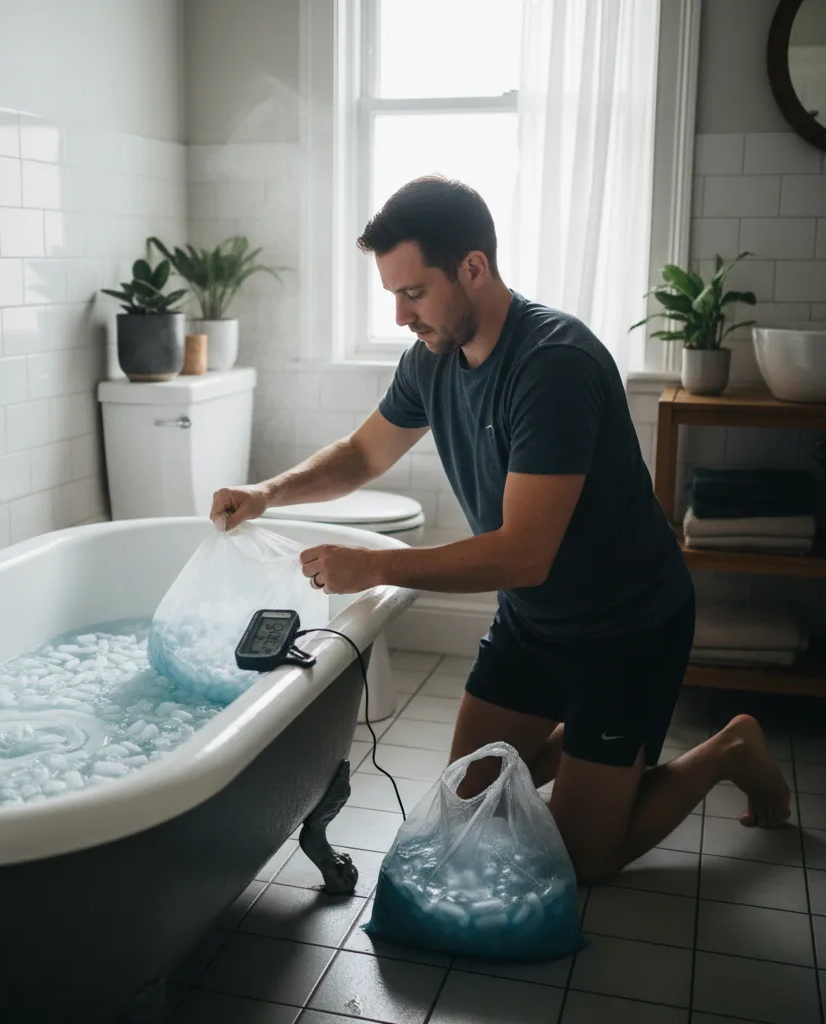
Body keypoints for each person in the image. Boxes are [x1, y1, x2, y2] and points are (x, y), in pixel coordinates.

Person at [210, 175, 792, 883]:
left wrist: (378, 566)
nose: (400, 315)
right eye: (391, 294)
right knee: (463, 805)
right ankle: (583, 745)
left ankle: (731, 751)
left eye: (413, 292)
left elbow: (524, 553)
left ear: (473, 268)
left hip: (625, 630)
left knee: (582, 862)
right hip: (532, 623)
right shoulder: (430, 359)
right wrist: (266, 493)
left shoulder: (553, 366)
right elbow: (364, 453)